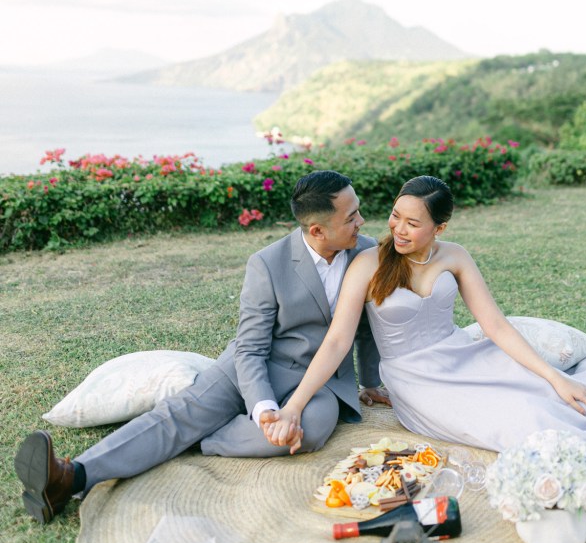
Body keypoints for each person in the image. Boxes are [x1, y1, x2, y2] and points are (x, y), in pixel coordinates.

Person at [262, 175, 586, 526]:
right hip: (418, 382)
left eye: (413, 223)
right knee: (526, 424)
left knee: (554, 398)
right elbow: (338, 341)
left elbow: (494, 325)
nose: (399, 229)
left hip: (462, 353)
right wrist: (295, 405)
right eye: (395, 217)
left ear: (439, 228)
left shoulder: (455, 256)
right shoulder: (368, 263)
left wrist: (556, 376)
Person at [15, 170, 388, 524]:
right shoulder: (268, 264)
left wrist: (370, 381)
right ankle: (70, 477)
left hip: (320, 382)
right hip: (253, 367)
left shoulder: (366, 253)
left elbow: (368, 327)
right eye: (351, 217)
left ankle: (195, 438)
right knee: (179, 415)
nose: (361, 222)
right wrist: (263, 408)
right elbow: (251, 347)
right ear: (318, 230)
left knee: (311, 429)